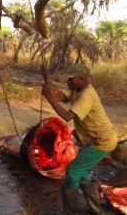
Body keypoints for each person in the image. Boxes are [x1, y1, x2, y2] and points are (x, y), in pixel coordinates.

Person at [42, 64, 118, 215]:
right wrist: (46, 78)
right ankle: (95, 209)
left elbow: (67, 116)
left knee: (72, 170)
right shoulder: (76, 88)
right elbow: (58, 96)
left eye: (71, 79)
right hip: (92, 140)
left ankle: (70, 211)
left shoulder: (87, 96)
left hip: (102, 141)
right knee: (81, 172)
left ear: (82, 79)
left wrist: (50, 99)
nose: (68, 82)